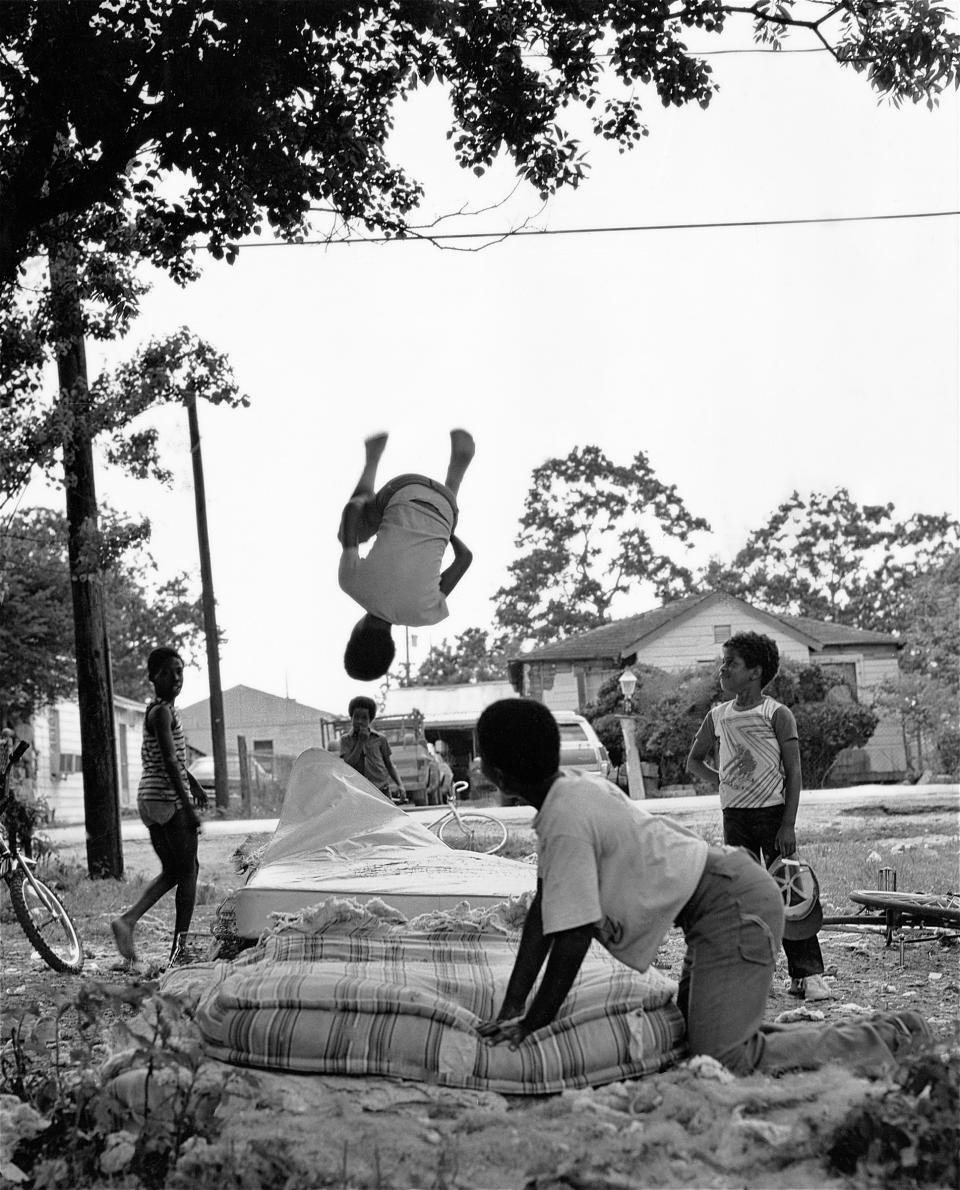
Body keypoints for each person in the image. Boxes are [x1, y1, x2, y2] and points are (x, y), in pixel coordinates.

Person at [473, 698, 928, 1076]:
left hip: (732, 903)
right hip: (720, 901)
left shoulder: (565, 819)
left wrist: (534, 1022)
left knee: (721, 1057)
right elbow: (543, 914)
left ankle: (889, 1038)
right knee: (703, 1034)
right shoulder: (568, 793)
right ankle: (881, 1033)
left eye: (479, 758)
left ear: (501, 775)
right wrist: (514, 1002)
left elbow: (572, 935)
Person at [686, 631, 832, 1001]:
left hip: (773, 817)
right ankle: (750, 973)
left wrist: (788, 824)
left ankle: (809, 975)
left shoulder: (776, 714)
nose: (722, 669)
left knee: (790, 892)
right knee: (744, 897)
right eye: (723, 662)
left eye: (731, 663)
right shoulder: (718, 716)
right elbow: (694, 759)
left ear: (755, 672)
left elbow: (794, 772)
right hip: (735, 818)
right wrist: (723, 780)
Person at [338, 429, 474, 680]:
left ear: (391, 647)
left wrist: (443, 533)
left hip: (446, 509)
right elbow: (352, 510)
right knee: (354, 531)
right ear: (355, 632)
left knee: (436, 531)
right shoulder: (349, 583)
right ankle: (373, 457)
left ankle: (456, 472)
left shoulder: (425, 615)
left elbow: (465, 558)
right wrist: (365, 509)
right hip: (402, 488)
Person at [111, 647, 207, 967]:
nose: (175, 678)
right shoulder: (162, 713)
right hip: (166, 800)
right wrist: (187, 806)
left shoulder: (158, 710)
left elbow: (172, 758)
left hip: (149, 798)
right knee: (189, 869)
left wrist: (191, 782)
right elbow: (168, 760)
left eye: (179, 671)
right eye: (167, 672)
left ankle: (127, 921)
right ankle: (180, 953)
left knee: (174, 870)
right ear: (153, 677)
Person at [337, 696, 406, 803]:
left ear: (370, 720)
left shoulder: (380, 739)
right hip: (358, 793)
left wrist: (400, 785)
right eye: (356, 717)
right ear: (351, 717)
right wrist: (361, 742)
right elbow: (348, 765)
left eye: (364, 718)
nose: (359, 721)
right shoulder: (346, 740)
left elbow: (389, 765)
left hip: (382, 790)